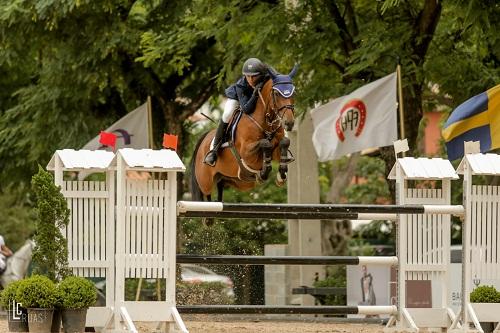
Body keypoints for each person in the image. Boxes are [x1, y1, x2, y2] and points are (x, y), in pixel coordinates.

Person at [204, 57, 269, 166]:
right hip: (238, 99)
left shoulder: (266, 76)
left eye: (254, 76)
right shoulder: (241, 85)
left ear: (261, 75)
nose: (251, 80)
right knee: (227, 114)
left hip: (254, 97)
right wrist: (255, 94)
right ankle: (214, 150)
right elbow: (246, 109)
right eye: (248, 76)